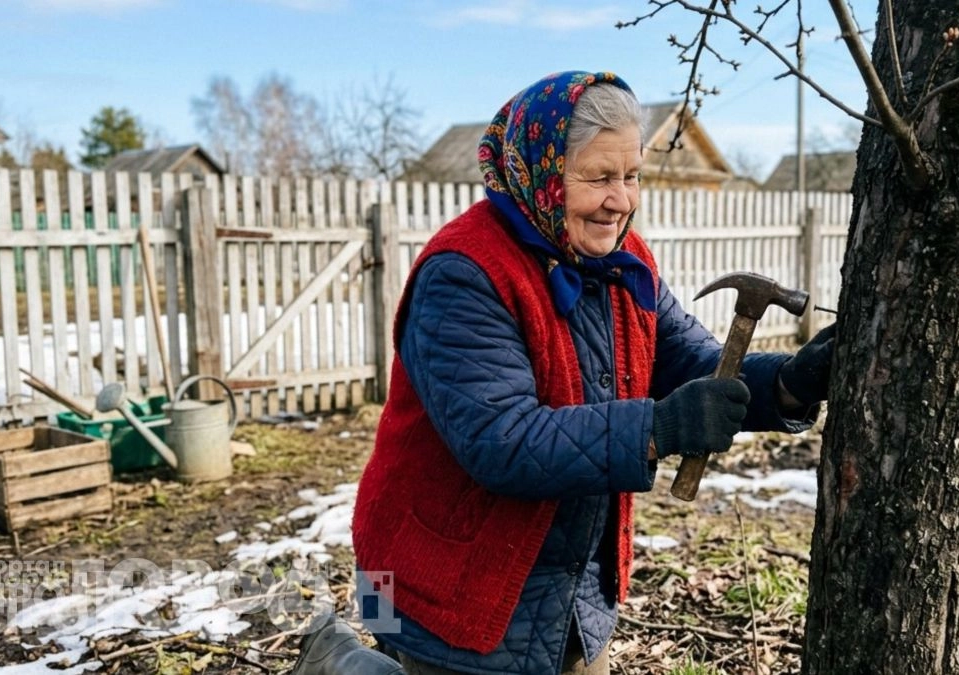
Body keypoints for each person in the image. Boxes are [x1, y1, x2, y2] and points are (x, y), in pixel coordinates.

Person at [349, 70, 836, 675]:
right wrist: (658, 429)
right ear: (543, 172)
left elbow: (693, 365)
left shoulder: (624, 261)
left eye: (631, 176)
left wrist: (789, 383)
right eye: (599, 177)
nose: (622, 199)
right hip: (441, 578)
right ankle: (336, 658)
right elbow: (502, 440)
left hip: (568, 587)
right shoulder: (464, 274)